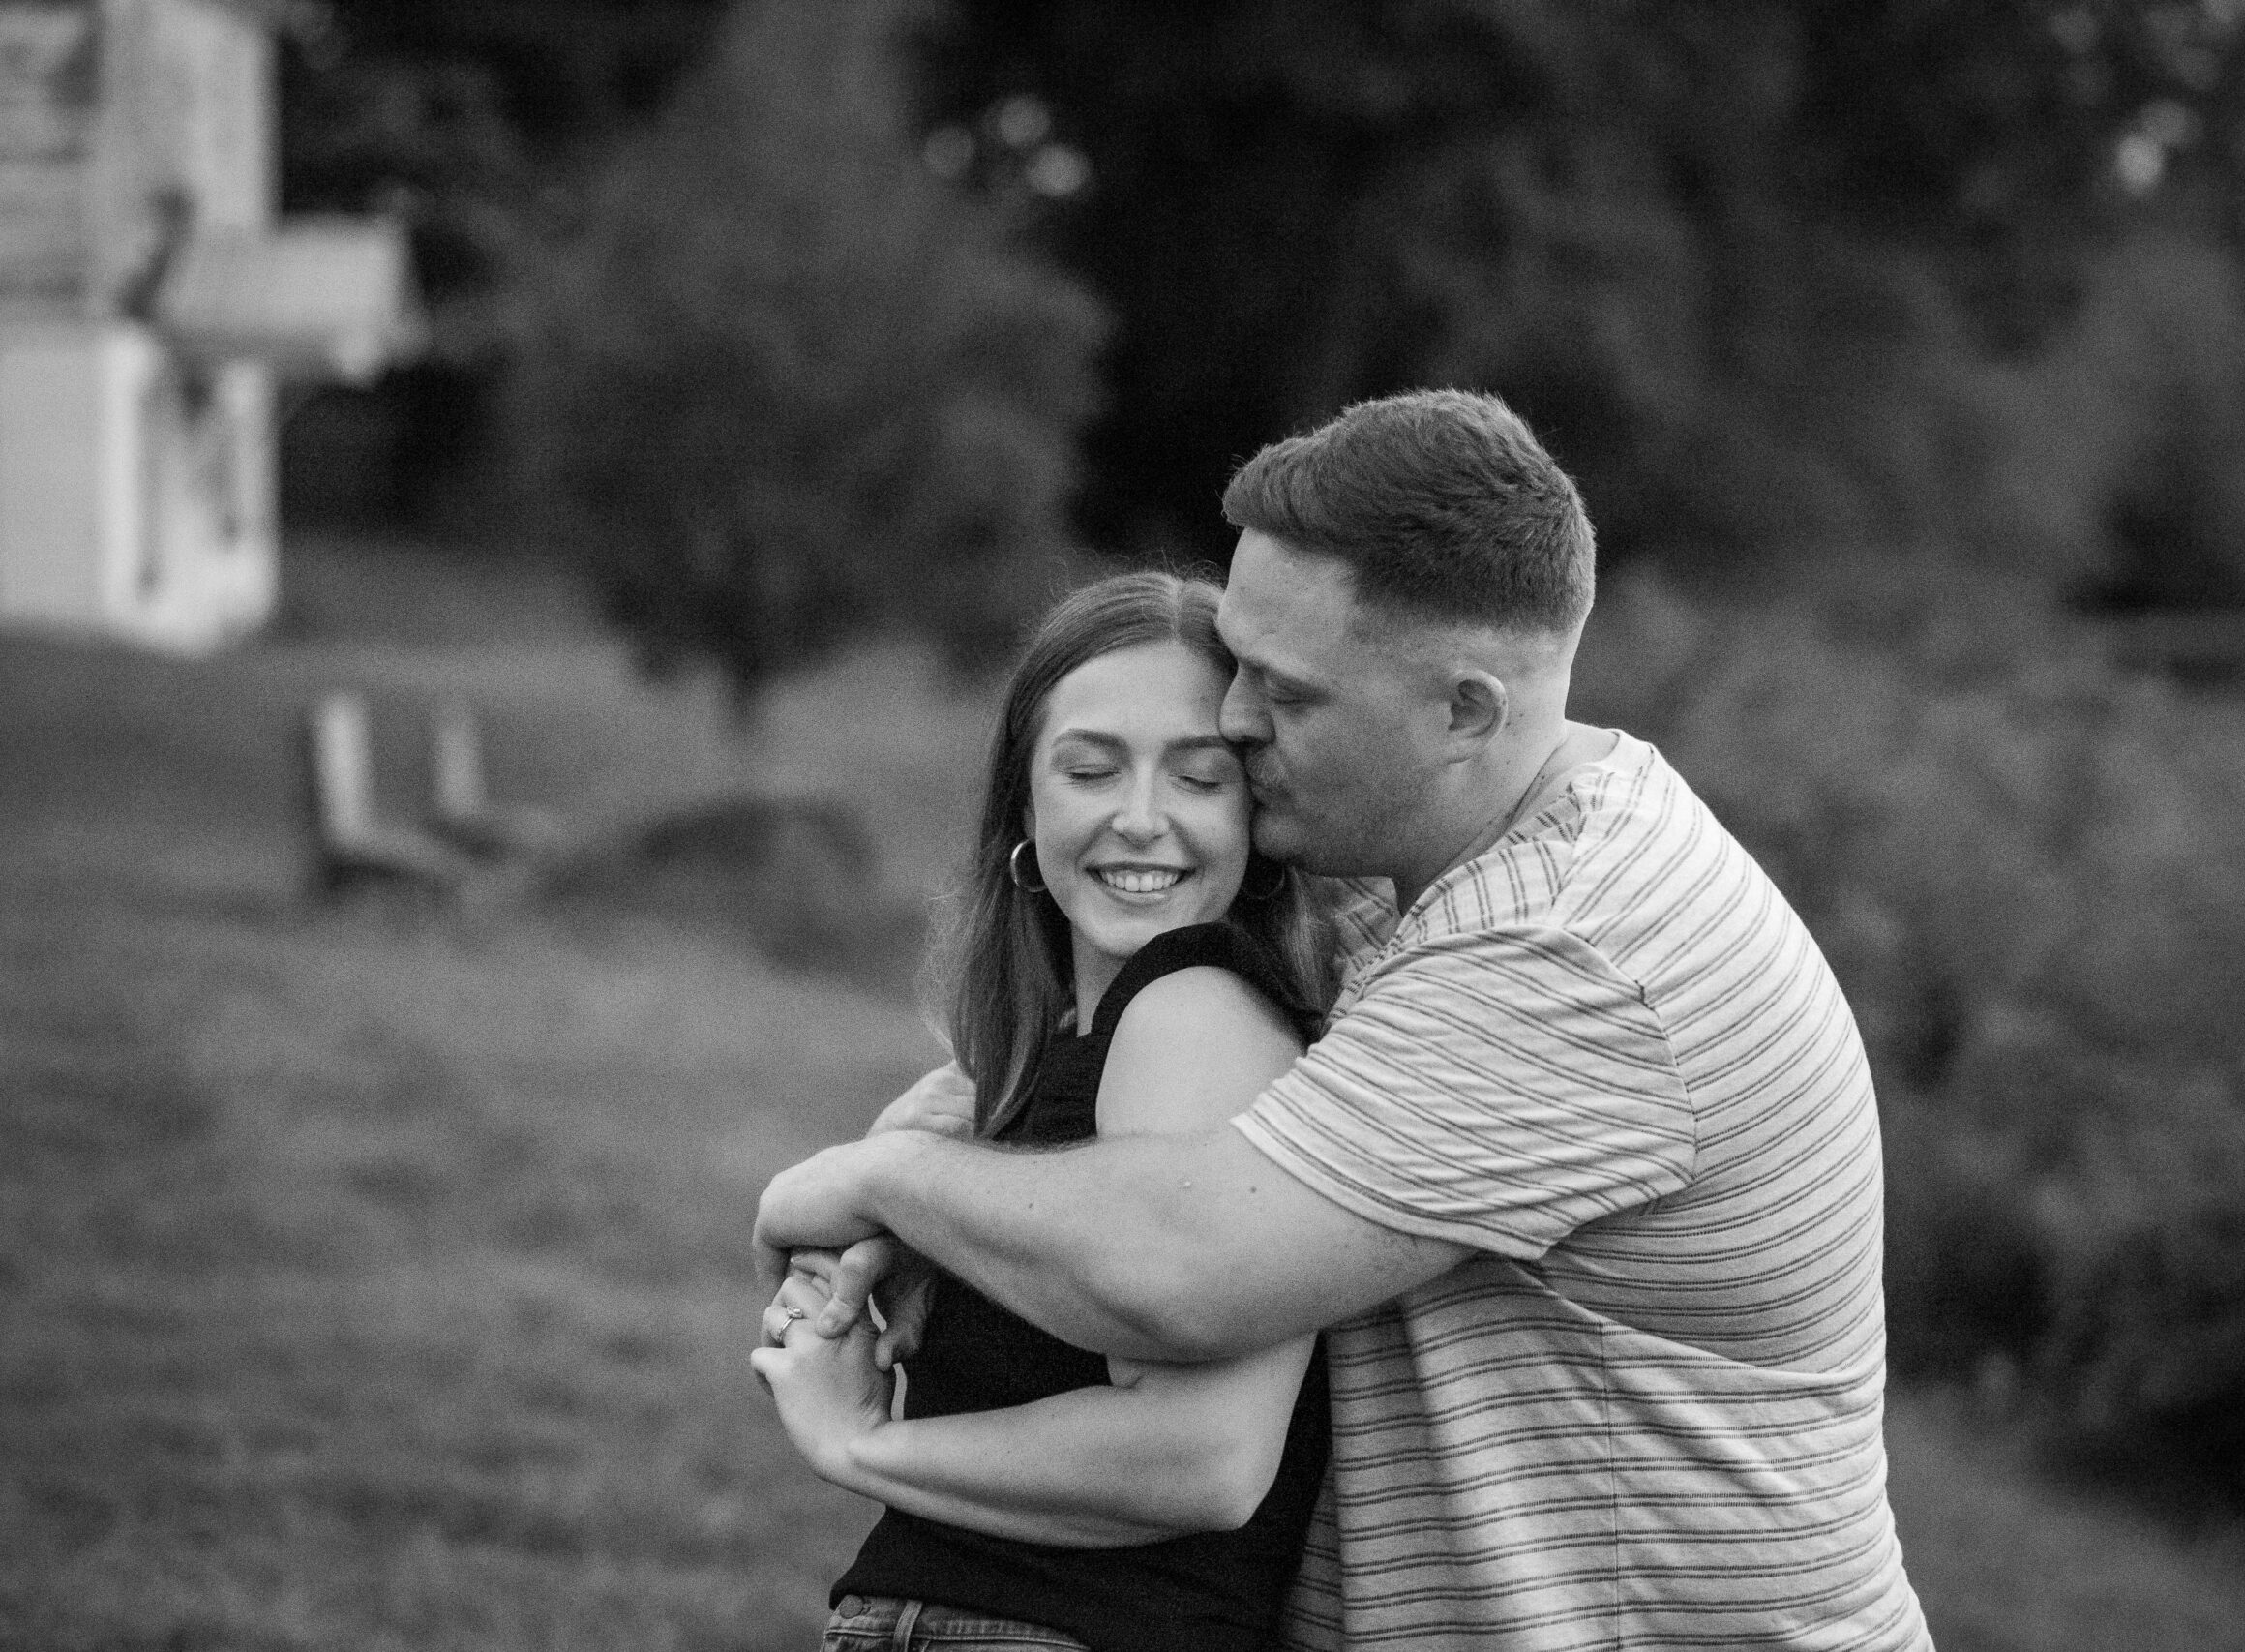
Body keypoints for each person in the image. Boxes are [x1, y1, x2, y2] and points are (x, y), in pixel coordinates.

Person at [758, 389, 1935, 1650]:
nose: (1237, 720)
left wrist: (884, 1184)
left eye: (1286, 690)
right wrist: (931, 1149)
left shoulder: (1573, 947)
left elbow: (1182, 1268)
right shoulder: (1419, 853)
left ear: (1466, 710)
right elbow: (1099, 1044)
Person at [751, 573, 1337, 1652]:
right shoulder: (1045, 1059)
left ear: (1254, 814)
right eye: (1089, 769)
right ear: (1024, 802)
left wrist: (858, 1446)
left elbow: (1201, 1459)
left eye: (1199, 778)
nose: (1140, 818)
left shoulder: (1194, 1010)